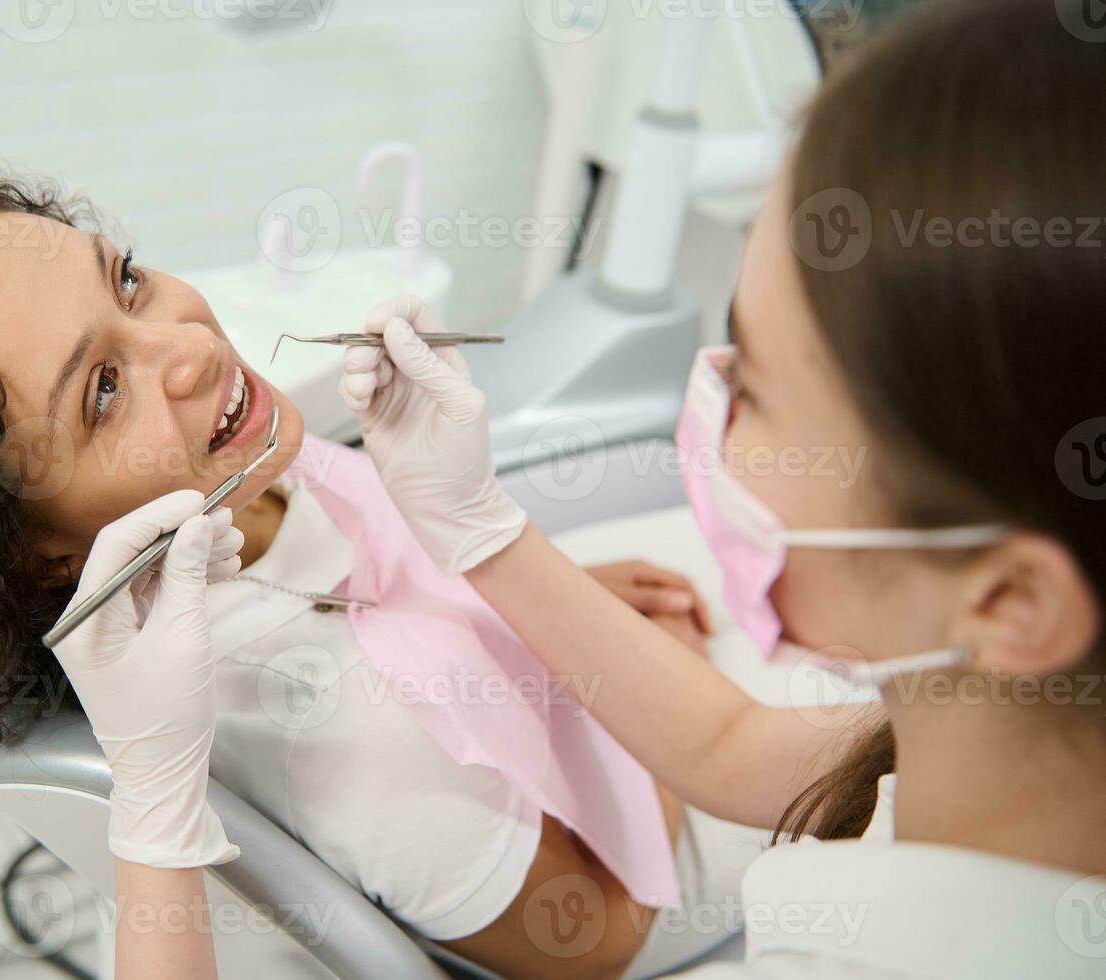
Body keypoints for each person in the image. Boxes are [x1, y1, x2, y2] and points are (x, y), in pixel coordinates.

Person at [60, 0, 1106, 975]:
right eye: (101, 387)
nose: (185, 354)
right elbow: (743, 749)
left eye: (759, 386)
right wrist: (482, 533)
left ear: (1014, 601)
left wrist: (153, 818)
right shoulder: (977, 728)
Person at [0, 182, 739, 978]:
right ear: (36, 552)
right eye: (104, 391)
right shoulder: (329, 718)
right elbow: (591, 940)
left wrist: (538, 605)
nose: (191, 343)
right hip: (669, 864)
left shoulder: (242, 486)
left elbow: (404, 591)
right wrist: (647, 684)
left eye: (127, 282)